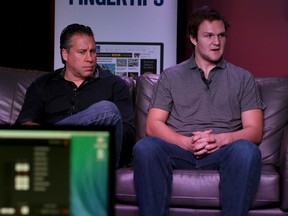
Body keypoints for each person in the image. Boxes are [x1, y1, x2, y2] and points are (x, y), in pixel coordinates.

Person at [133, 5, 266, 216]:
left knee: (247, 151)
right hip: (181, 150)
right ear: (193, 39)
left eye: (221, 35)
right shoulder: (170, 76)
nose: (217, 42)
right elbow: (153, 124)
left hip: (222, 152)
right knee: (146, 147)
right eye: (209, 36)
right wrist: (184, 142)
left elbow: (254, 130)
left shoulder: (243, 78)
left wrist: (220, 140)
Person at [16, 23, 135, 168]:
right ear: (65, 54)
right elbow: (25, 125)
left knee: (108, 110)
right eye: (82, 52)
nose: (90, 58)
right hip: (54, 154)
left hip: (95, 156)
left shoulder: (115, 85)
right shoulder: (42, 85)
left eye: (92, 51)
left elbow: (128, 135)